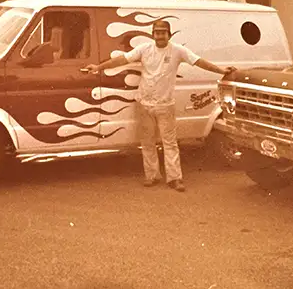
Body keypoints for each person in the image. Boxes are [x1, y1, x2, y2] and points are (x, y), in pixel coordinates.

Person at [84, 20, 235, 192]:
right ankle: (152, 176)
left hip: (165, 104)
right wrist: (99, 67)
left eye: (163, 32)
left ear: (168, 34)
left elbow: (199, 62)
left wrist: (221, 70)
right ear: (153, 34)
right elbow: (121, 60)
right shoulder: (144, 49)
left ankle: (175, 178)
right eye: (157, 32)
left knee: (169, 143)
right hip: (144, 102)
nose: (160, 35)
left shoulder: (178, 50)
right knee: (147, 142)